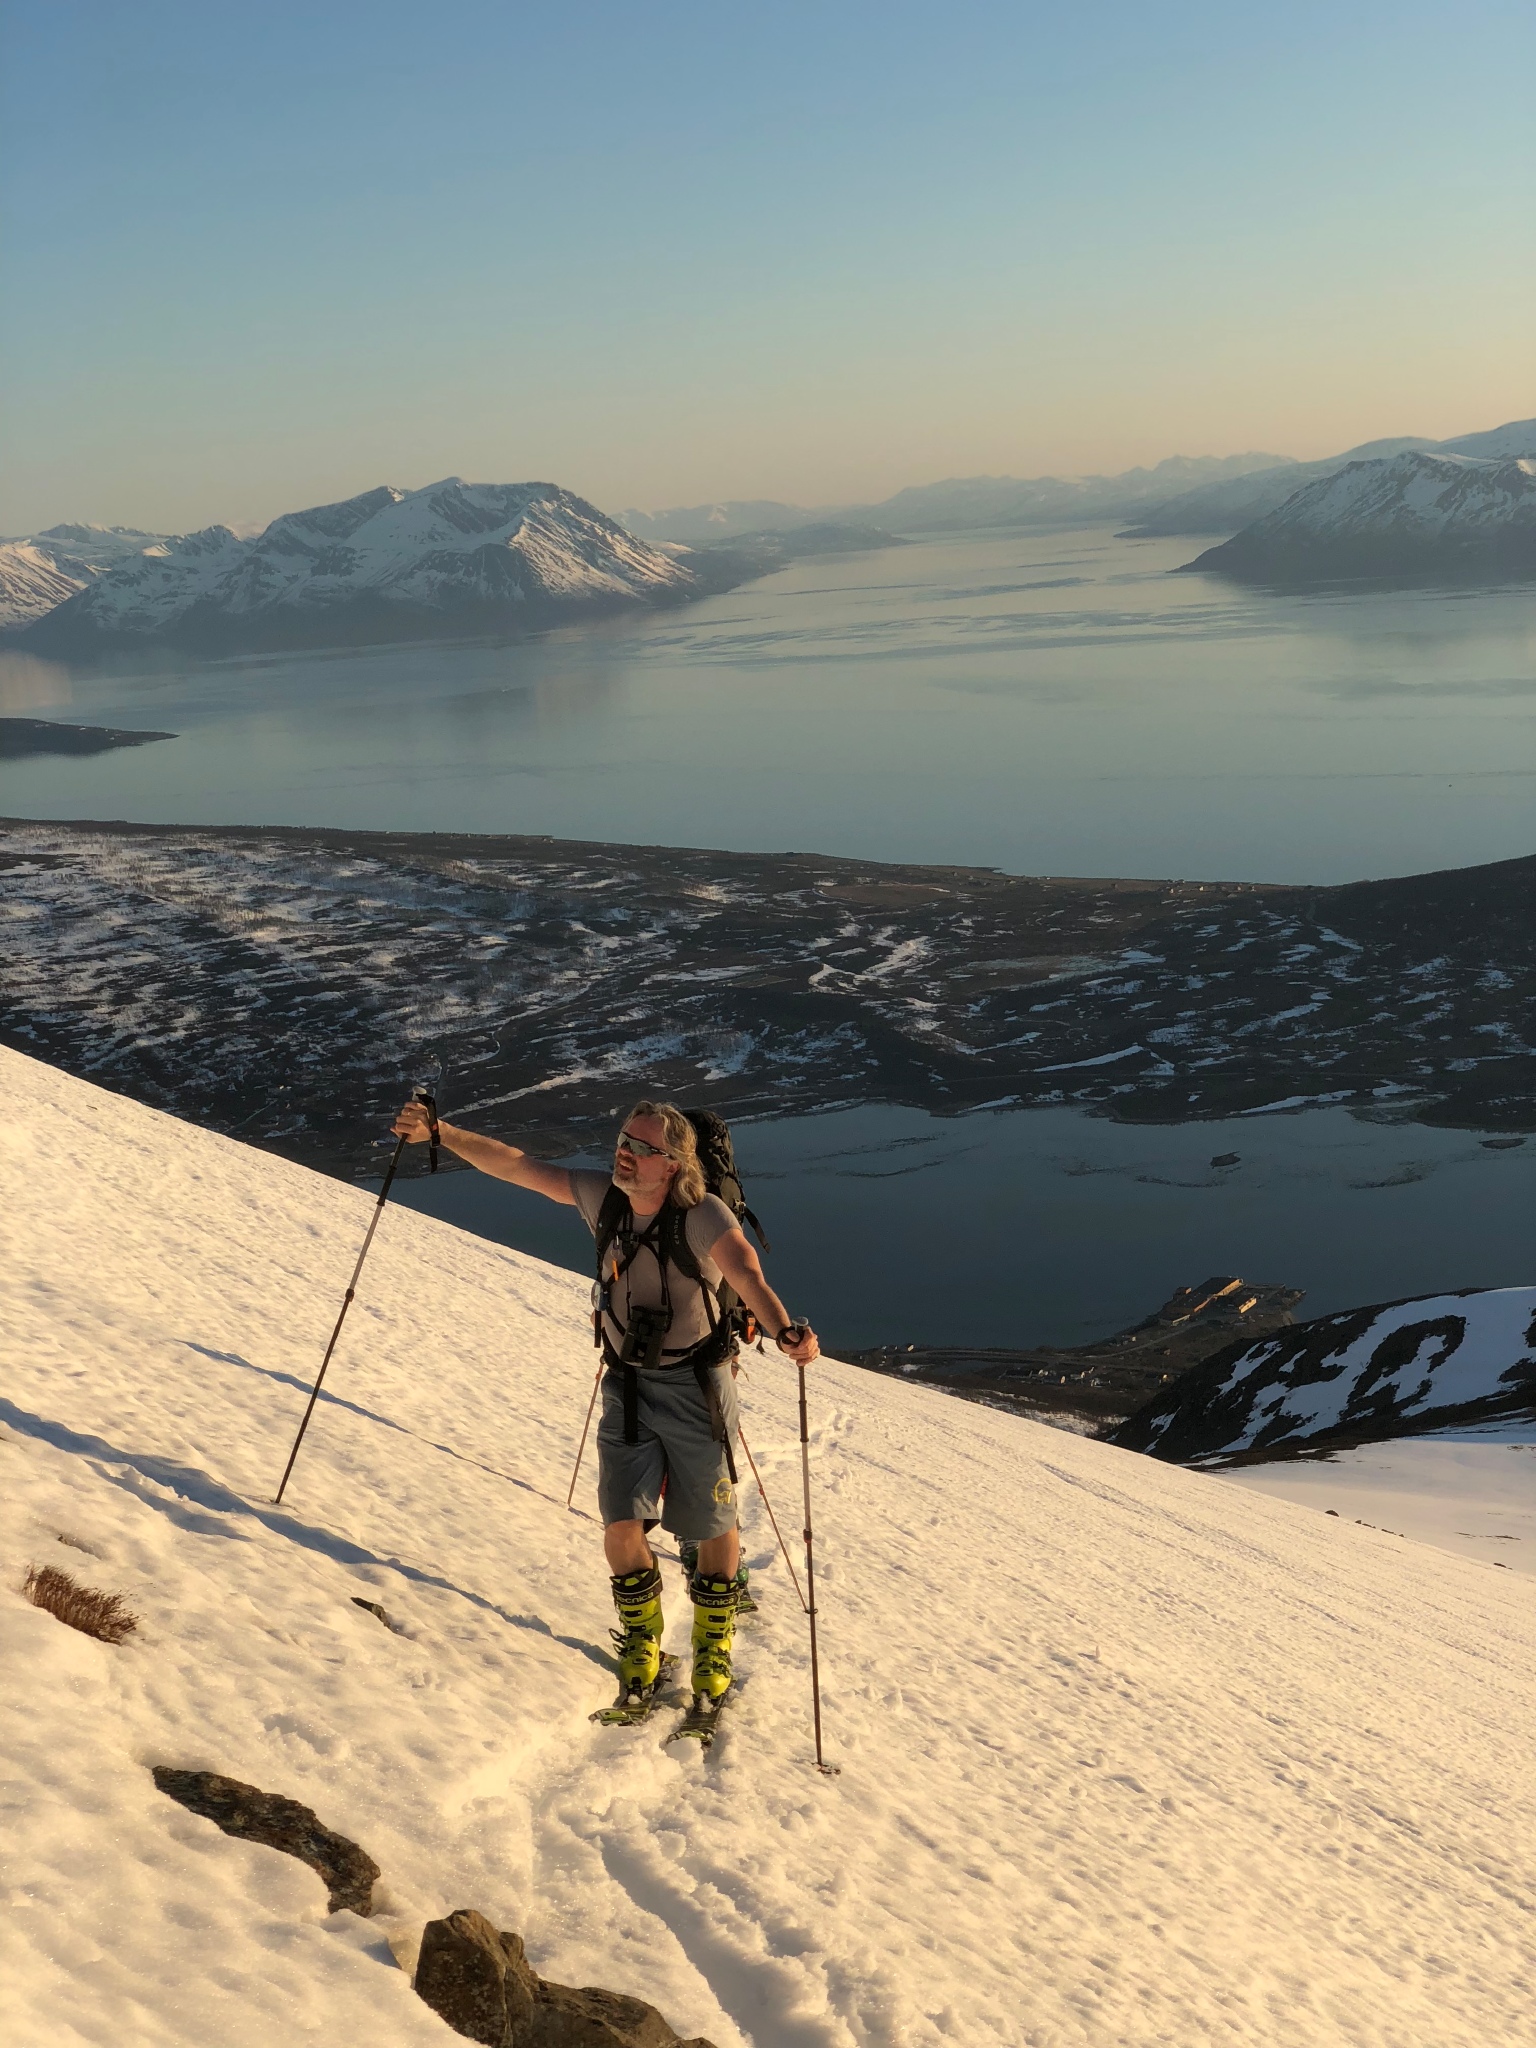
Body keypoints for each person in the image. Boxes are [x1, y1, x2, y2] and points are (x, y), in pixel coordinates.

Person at [392, 1096, 819, 1716]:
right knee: (621, 1523)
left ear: (673, 1163)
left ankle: (712, 1645)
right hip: (628, 1385)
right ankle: (644, 1641)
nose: (625, 1152)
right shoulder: (605, 1199)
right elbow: (516, 1165)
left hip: (697, 1387)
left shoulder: (703, 1214)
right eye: (623, 1139)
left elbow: (746, 1273)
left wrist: (783, 1331)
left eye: (642, 1147)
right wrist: (442, 1132)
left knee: (711, 1522)